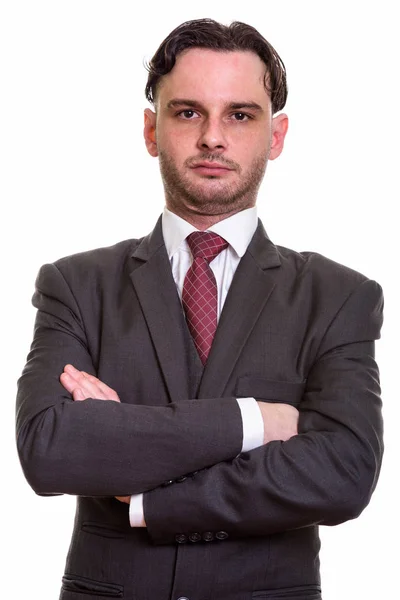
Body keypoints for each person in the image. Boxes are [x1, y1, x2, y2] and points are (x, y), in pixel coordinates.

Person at [16, 18, 384, 600]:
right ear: (151, 130)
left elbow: (343, 474)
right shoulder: (75, 285)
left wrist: (145, 495)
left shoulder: (337, 297)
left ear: (277, 135)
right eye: (188, 112)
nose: (214, 137)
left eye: (240, 115)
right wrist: (257, 422)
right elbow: (51, 449)